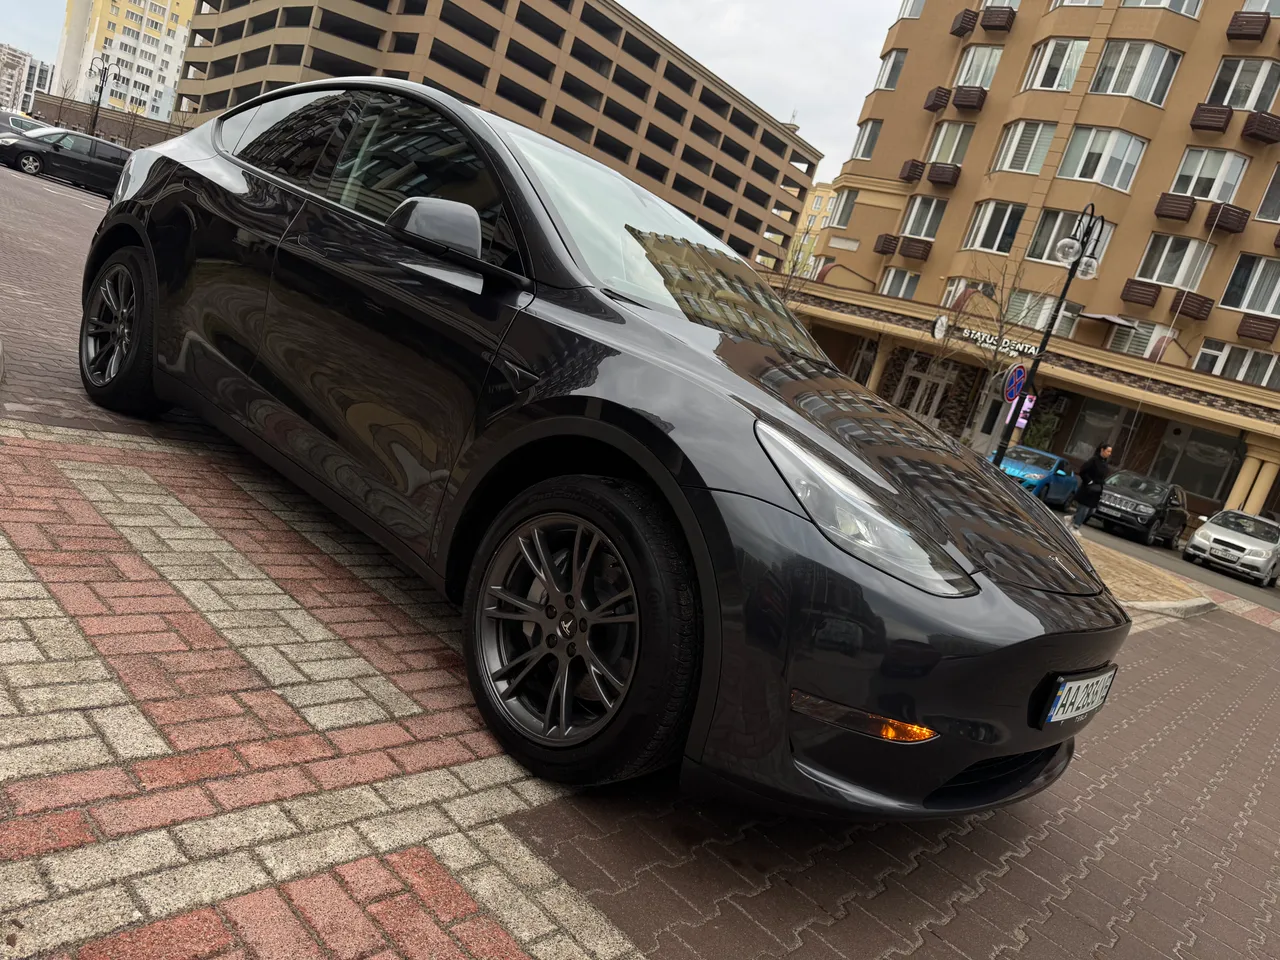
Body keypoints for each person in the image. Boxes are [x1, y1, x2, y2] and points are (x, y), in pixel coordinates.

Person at [1072, 444, 1112, 533]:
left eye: (1110, 452)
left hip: (1097, 491)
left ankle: (1073, 518)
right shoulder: (1094, 460)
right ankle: (1075, 526)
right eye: (1108, 451)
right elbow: (1083, 471)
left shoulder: (1105, 463)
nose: (1109, 454)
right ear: (1102, 450)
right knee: (1084, 509)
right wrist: (1089, 481)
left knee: (1092, 511)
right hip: (1088, 489)